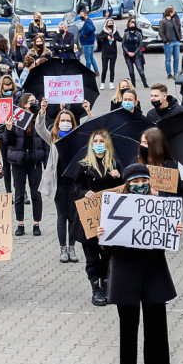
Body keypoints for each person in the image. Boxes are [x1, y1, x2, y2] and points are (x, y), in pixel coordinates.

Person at [100, 164, 180, 364]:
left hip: (153, 270)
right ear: (127, 184)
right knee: (128, 325)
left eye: (143, 181)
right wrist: (103, 236)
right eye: (134, 182)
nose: (140, 185)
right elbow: (107, 249)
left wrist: (174, 229)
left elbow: (164, 240)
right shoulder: (114, 206)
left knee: (157, 325)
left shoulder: (159, 204)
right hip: (125, 271)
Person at [73, 130, 124, 305]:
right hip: (90, 219)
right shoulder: (84, 165)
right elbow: (76, 187)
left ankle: (108, 285)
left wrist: (118, 178)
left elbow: (123, 191)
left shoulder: (115, 164)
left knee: (109, 255)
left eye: (102, 140)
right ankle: (96, 289)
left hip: (109, 220)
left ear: (107, 143)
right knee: (92, 256)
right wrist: (84, 193)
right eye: (96, 140)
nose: (99, 143)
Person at [36, 106, 80, 263]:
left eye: (68, 121)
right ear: (58, 122)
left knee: (74, 216)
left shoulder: (78, 138)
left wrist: (88, 112)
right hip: (59, 183)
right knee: (62, 216)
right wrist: (42, 112)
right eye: (63, 121)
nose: (65, 123)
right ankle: (63, 249)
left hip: (74, 183)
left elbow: (92, 131)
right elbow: (40, 129)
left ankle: (72, 248)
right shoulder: (54, 137)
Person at [2, 93, 47, 237]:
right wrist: (8, 129)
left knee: (36, 194)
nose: (34, 103)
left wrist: (45, 162)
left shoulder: (39, 119)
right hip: (18, 162)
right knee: (19, 194)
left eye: (35, 100)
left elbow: (45, 140)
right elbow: (8, 142)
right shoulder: (15, 119)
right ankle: (20, 223)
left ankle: (36, 223)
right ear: (24, 104)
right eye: (31, 101)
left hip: (34, 162)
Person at [122, 18, 148, 87]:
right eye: (130, 26)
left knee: (140, 70)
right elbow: (123, 44)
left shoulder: (138, 34)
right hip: (128, 55)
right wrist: (127, 52)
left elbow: (140, 44)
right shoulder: (126, 34)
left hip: (136, 54)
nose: (132, 27)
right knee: (131, 71)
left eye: (133, 26)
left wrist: (135, 53)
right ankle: (133, 85)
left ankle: (145, 83)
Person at [97, 19, 122, 89]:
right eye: (109, 23)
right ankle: (102, 83)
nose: (110, 24)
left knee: (112, 68)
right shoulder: (104, 32)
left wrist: (115, 38)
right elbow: (98, 38)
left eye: (112, 23)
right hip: (105, 53)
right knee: (104, 68)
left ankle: (111, 82)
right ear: (106, 24)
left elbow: (120, 39)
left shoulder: (115, 32)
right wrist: (105, 37)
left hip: (113, 53)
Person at [77, 10, 99, 76]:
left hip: (87, 43)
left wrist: (84, 34)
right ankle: (96, 71)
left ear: (86, 15)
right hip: (89, 42)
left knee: (88, 59)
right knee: (91, 58)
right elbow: (94, 28)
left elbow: (91, 29)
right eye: (80, 14)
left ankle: (88, 73)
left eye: (82, 15)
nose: (80, 16)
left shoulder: (88, 22)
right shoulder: (88, 21)